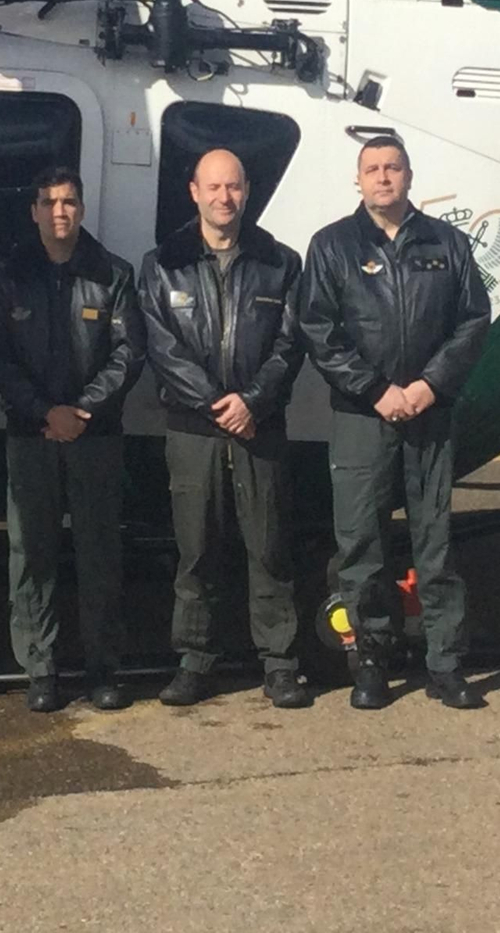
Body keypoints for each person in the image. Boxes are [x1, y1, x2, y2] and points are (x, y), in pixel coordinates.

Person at [296, 135, 491, 711]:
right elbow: (318, 330)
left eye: (393, 167)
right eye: (372, 169)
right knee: (362, 546)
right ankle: (371, 663)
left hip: (430, 415)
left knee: (436, 545)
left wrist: (430, 385)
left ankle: (445, 664)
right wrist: (375, 390)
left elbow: (473, 322)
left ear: (409, 176)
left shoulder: (448, 244)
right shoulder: (332, 246)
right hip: (363, 417)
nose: (383, 177)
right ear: (358, 181)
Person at [138, 148, 312, 709]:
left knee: (269, 548)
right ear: (194, 192)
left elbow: (290, 344)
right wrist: (216, 403)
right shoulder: (162, 264)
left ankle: (280, 664)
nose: (224, 197)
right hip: (194, 430)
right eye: (213, 187)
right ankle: (195, 661)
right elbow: (161, 347)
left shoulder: (280, 263)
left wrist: (252, 402)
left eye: (233, 186)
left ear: (246, 191)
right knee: (196, 552)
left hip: (260, 428)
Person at [0, 165, 145, 712]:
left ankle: (103, 668)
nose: (60, 211)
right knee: (32, 555)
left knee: (100, 553)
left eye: (69, 201)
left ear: (82, 208)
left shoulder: (113, 274)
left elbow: (128, 354)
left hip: (95, 437)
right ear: (34, 211)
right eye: (49, 202)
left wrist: (82, 411)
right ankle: (41, 668)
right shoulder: (9, 275)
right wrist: (44, 412)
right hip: (31, 435)